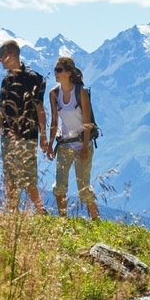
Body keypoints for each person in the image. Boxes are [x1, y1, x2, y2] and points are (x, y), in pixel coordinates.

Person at [0, 39, 48, 213]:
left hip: (27, 135)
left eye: (1, 56)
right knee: (9, 176)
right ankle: (12, 210)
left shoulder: (33, 78)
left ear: (10, 56)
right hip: (7, 135)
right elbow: (1, 110)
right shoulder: (6, 81)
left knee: (28, 177)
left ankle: (40, 210)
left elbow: (39, 109)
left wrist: (43, 135)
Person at [48, 55, 100, 220]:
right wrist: (50, 143)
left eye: (59, 70)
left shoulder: (81, 92)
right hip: (64, 144)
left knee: (84, 189)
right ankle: (63, 219)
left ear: (69, 72)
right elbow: (54, 121)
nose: (56, 73)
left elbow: (87, 122)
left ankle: (96, 219)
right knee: (59, 186)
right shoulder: (54, 94)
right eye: (55, 69)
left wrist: (85, 147)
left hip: (82, 143)